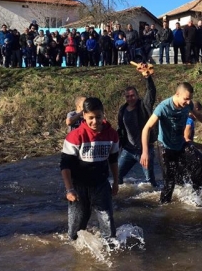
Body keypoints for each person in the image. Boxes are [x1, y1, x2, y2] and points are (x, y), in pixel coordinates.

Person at [140, 82, 202, 204]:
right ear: (177, 94)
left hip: (181, 144)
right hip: (165, 147)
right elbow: (146, 128)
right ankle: (164, 209)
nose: (188, 102)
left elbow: (198, 115)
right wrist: (145, 152)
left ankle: (195, 195)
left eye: (190, 99)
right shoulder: (163, 107)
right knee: (169, 183)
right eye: (186, 99)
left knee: (200, 161)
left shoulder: (188, 105)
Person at [60, 97, 120, 240]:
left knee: (108, 228)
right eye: (91, 118)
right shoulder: (75, 136)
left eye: (98, 117)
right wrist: (69, 189)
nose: (95, 121)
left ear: (103, 114)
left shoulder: (112, 134)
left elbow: (113, 160)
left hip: (101, 185)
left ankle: (111, 255)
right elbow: (65, 165)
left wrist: (116, 182)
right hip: (79, 187)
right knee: (75, 230)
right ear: (84, 116)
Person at [117, 66, 158, 188]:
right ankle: (117, 196)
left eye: (132, 95)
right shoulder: (123, 109)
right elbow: (121, 130)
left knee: (149, 181)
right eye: (128, 96)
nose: (130, 98)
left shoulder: (143, 106)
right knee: (117, 175)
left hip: (144, 149)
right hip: (128, 150)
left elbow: (151, 92)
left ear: (137, 95)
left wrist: (147, 77)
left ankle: (155, 201)